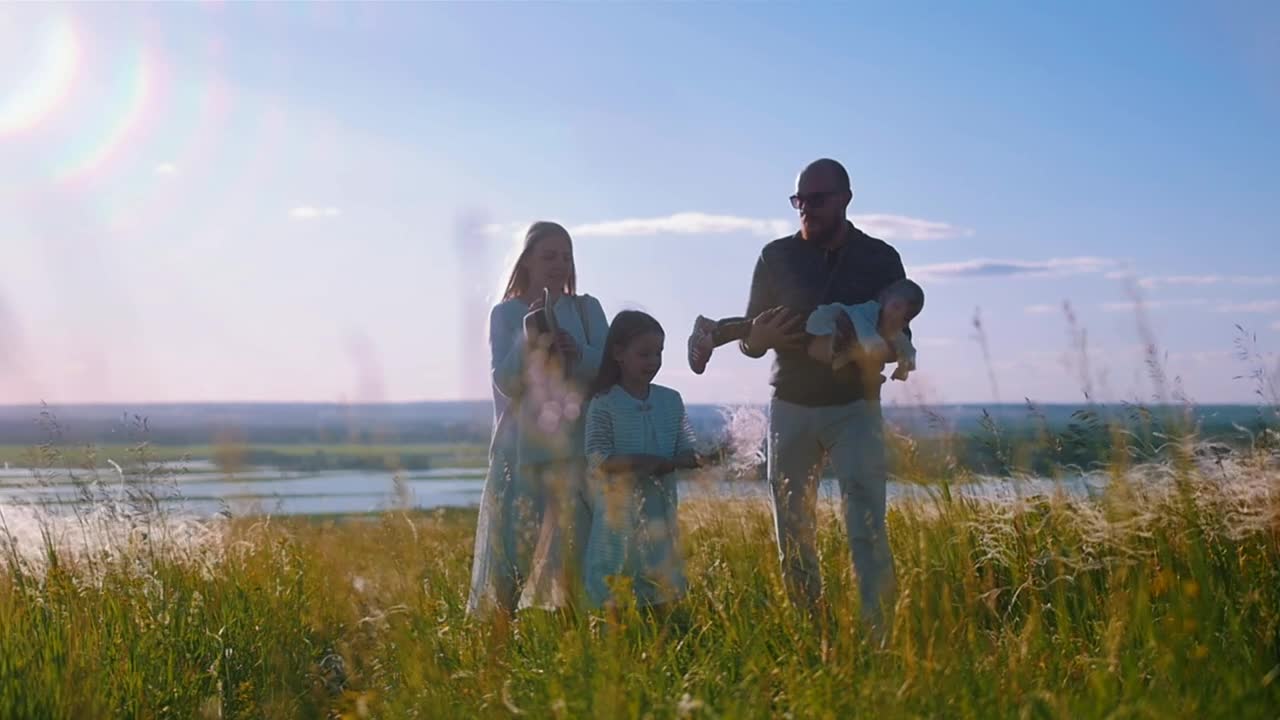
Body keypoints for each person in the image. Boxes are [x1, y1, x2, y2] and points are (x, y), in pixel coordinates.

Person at [738, 158, 909, 639]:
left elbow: (899, 335)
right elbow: (751, 338)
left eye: (816, 199)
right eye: (799, 201)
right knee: (792, 531)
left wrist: (859, 343)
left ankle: (881, 641)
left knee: (867, 527)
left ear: (845, 199)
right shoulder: (775, 257)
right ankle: (814, 637)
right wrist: (756, 338)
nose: (805, 209)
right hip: (790, 406)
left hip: (857, 406)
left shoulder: (881, 258)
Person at [466, 221, 610, 618]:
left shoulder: (587, 309)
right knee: (511, 563)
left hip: (576, 454)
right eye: (549, 255)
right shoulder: (506, 314)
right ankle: (497, 652)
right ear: (526, 260)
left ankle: (572, 648)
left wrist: (576, 351)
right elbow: (506, 382)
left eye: (566, 256)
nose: (559, 264)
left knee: (575, 564)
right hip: (520, 456)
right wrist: (533, 341)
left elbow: (610, 370)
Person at [582, 310, 701, 610]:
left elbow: (687, 448)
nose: (654, 361)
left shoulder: (670, 400)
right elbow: (598, 458)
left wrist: (694, 458)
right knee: (615, 587)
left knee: (661, 586)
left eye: (659, 353)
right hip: (617, 516)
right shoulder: (604, 402)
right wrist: (643, 461)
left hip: (660, 512)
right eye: (644, 354)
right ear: (619, 353)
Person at [688, 278, 924, 381]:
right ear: (883, 299)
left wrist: (904, 366)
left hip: (821, 345)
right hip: (813, 323)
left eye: (907, 315)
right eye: (895, 307)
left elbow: (906, 347)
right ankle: (711, 336)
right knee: (755, 325)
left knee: (754, 326)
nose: (898, 315)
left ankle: (711, 326)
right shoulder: (870, 312)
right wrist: (877, 350)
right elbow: (866, 335)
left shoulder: (895, 328)